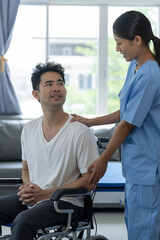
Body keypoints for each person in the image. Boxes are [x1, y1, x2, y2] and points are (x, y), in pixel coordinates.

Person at [71, 10, 160, 240]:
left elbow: (126, 124)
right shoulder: (136, 66)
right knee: (134, 223)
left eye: (119, 43)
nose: (118, 49)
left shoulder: (151, 75)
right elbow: (126, 111)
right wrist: (90, 121)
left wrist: (104, 158)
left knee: (145, 230)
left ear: (137, 40)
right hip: (136, 166)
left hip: (147, 166)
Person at [0, 61, 99, 240]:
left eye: (60, 83)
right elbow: (26, 169)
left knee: (24, 221)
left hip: (66, 203)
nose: (56, 88)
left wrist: (45, 194)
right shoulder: (29, 129)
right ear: (35, 94)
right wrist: (29, 188)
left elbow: (90, 181)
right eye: (49, 84)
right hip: (35, 200)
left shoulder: (80, 131)